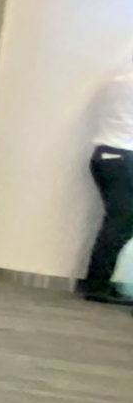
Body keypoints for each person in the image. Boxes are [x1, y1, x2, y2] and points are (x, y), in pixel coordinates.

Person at [80, 55, 133, 304]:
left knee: (119, 220)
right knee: (121, 221)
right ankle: (97, 284)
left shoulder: (118, 82)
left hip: (104, 156)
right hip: (124, 157)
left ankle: (96, 282)